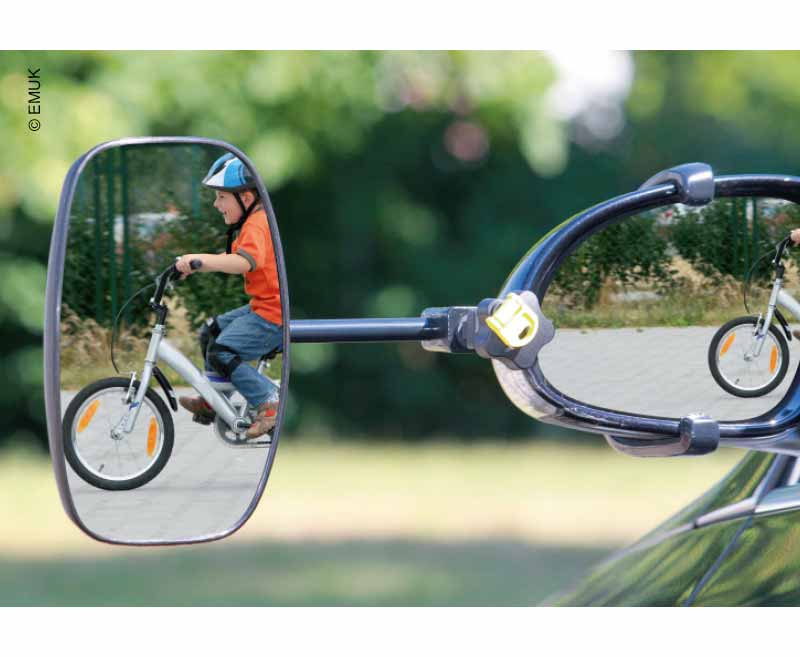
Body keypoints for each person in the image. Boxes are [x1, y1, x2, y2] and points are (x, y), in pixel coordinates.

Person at [175, 154, 282, 439]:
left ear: (246, 198)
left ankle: (268, 403)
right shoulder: (253, 222)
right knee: (210, 332)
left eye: (221, 197)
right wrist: (195, 265)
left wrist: (201, 260)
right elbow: (234, 257)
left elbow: (243, 262)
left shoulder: (257, 223)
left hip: (272, 316)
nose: (216, 204)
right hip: (262, 307)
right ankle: (214, 400)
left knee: (222, 351)